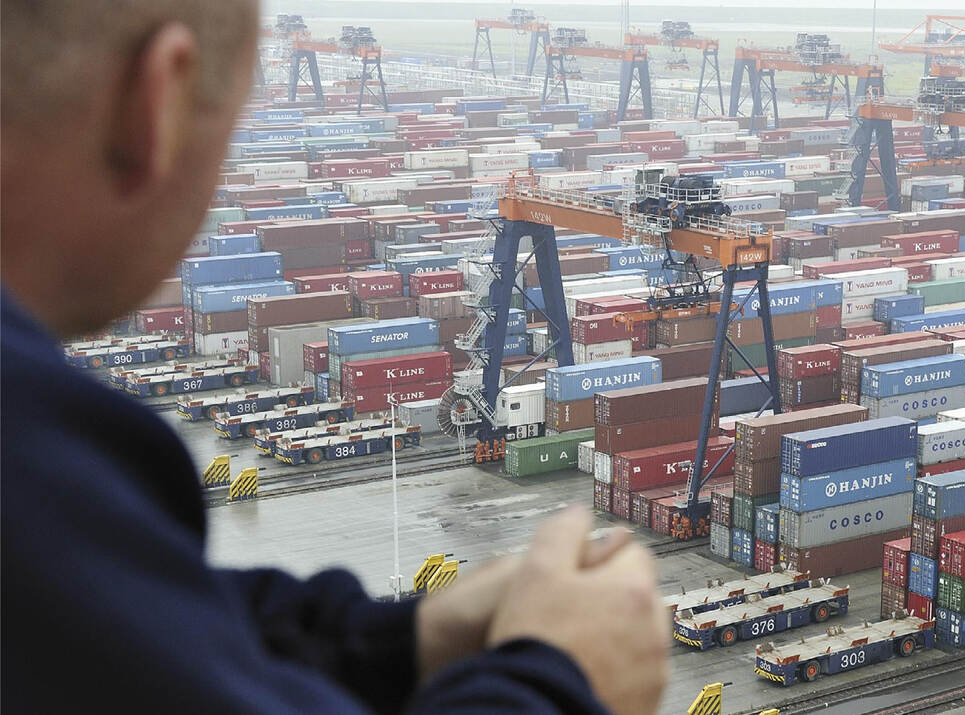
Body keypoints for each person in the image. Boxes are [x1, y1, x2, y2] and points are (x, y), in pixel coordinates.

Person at [0, 2, 671, 712]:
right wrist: (557, 679)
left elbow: (157, 634)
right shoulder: (31, 463)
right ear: (156, 102)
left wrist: (405, 642)